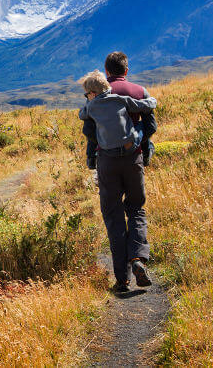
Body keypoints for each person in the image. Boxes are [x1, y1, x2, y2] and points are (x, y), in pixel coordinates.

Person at [77, 67, 156, 294]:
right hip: (132, 158)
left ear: (91, 93)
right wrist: (153, 101)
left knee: (113, 217)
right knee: (136, 208)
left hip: (107, 163)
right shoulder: (121, 99)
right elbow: (144, 106)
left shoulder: (91, 106)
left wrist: (86, 108)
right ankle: (138, 257)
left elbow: (83, 118)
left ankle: (122, 280)